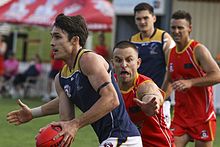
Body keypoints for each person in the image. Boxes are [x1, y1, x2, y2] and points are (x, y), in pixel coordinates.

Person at [7, 14, 142, 147]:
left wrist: (75, 124)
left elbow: (111, 99)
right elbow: (66, 120)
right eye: (52, 36)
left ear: (75, 40)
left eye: (58, 37)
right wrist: (45, 125)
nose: (52, 42)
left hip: (124, 138)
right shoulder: (61, 78)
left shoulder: (88, 59)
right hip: (110, 139)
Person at [161, 10, 220, 147]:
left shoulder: (198, 50)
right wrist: (159, 100)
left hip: (202, 117)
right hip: (180, 116)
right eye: (173, 27)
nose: (176, 31)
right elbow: (169, 81)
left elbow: (217, 75)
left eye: (180, 27)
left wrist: (191, 82)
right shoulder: (171, 53)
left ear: (189, 28)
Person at [112, 41, 174, 146]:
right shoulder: (109, 85)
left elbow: (152, 94)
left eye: (129, 60)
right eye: (118, 60)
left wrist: (151, 103)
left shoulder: (144, 84)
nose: (123, 65)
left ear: (138, 63)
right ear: (113, 63)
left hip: (156, 144)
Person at [130, 2, 175, 128]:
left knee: (161, 136)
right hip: (139, 99)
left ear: (154, 18)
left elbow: (172, 69)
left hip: (160, 98)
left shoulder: (164, 38)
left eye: (146, 18)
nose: (142, 21)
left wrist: (163, 97)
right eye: (138, 19)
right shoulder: (133, 40)